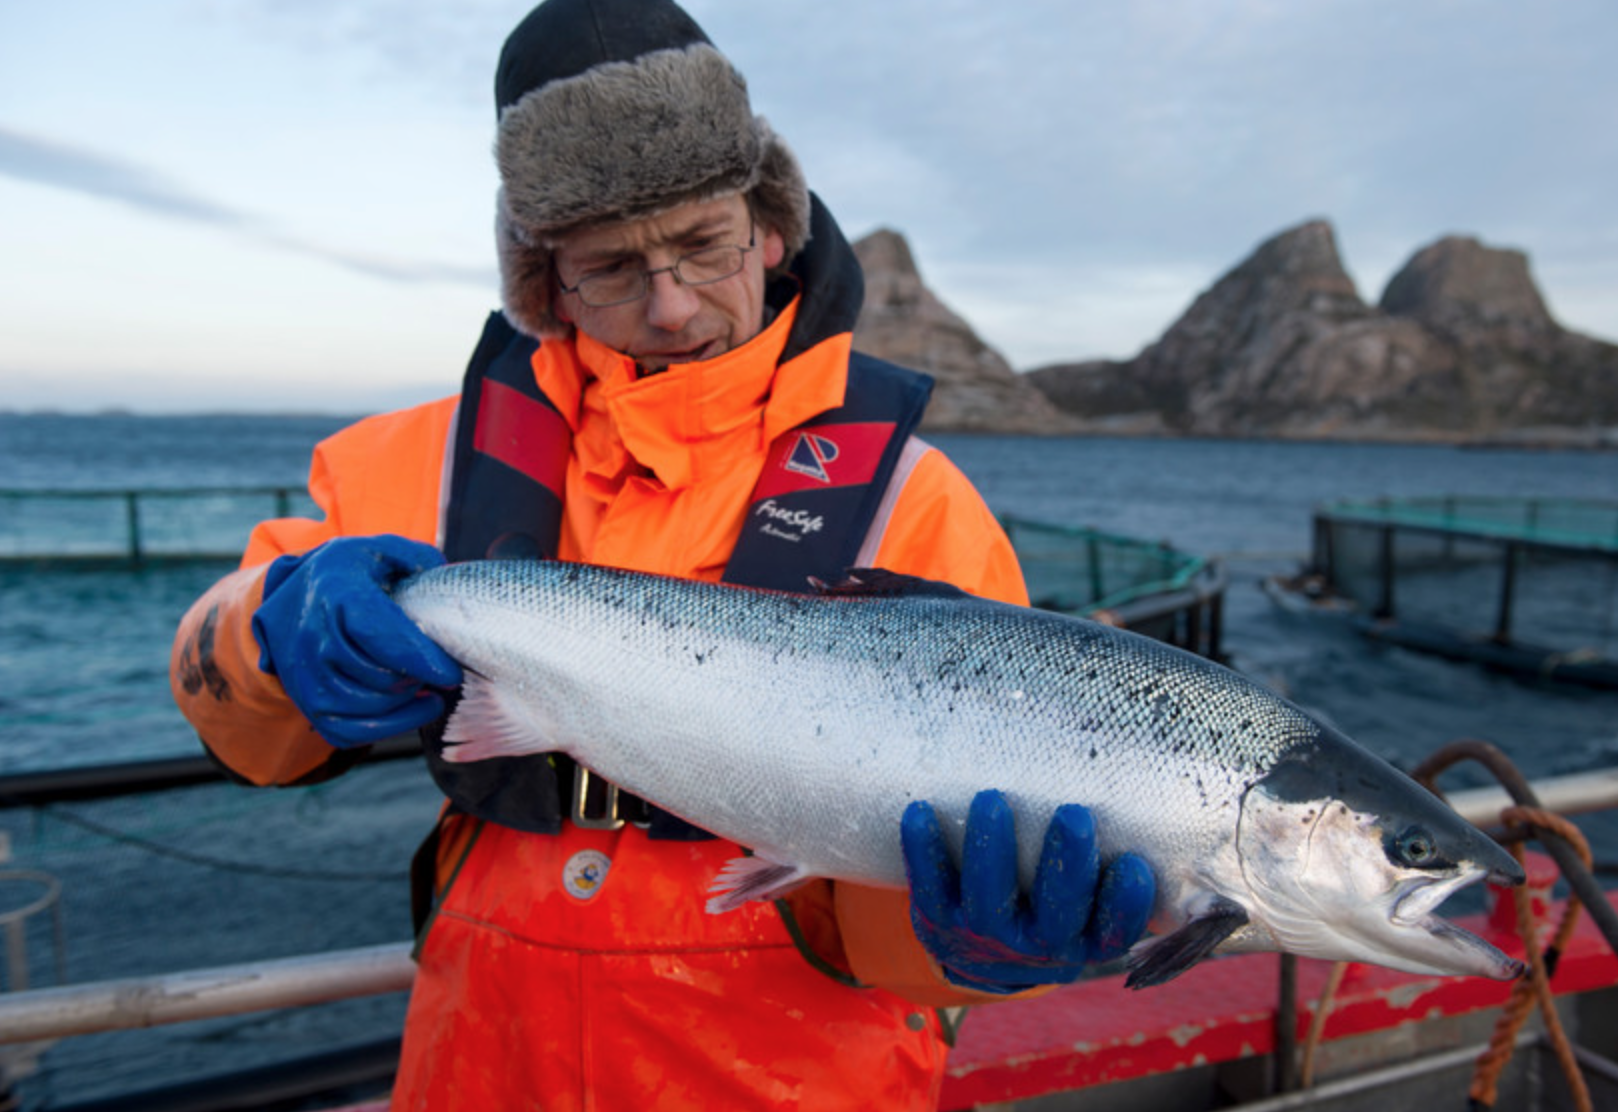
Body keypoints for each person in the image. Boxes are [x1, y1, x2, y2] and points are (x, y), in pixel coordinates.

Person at [170, 0, 1155, 1107]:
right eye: (612, 267)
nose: (673, 304)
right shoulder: (415, 459)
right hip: (485, 1048)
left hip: (795, 1065)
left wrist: (978, 941)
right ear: (543, 276)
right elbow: (242, 726)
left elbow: (908, 933)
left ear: (771, 226)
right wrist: (268, 626)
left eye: (702, 244)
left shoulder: (912, 501)